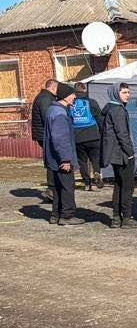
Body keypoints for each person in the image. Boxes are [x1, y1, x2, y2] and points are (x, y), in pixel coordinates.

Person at [100, 83, 137, 229]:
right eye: (124, 92)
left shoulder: (110, 108)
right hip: (121, 154)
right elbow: (122, 134)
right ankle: (126, 218)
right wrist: (130, 153)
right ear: (116, 93)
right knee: (127, 186)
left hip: (115, 153)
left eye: (128, 92)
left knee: (119, 185)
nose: (128, 95)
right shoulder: (117, 110)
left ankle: (116, 218)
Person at [43, 83, 84, 226]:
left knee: (58, 187)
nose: (74, 97)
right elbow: (60, 139)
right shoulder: (59, 113)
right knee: (67, 186)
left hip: (54, 158)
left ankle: (56, 215)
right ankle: (67, 215)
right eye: (72, 94)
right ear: (65, 96)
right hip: (61, 159)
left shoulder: (53, 110)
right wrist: (66, 159)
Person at [71, 82, 104, 191]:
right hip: (93, 135)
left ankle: (86, 183)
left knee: (82, 161)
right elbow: (100, 119)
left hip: (77, 137)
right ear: (84, 90)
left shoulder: (71, 103)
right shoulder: (92, 102)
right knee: (95, 157)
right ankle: (97, 172)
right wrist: (102, 133)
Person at [30, 78, 59, 201]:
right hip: (45, 134)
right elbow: (48, 117)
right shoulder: (46, 98)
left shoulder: (44, 97)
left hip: (44, 133)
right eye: (57, 89)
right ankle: (51, 189)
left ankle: (53, 188)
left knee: (53, 159)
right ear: (52, 88)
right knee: (52, 160)